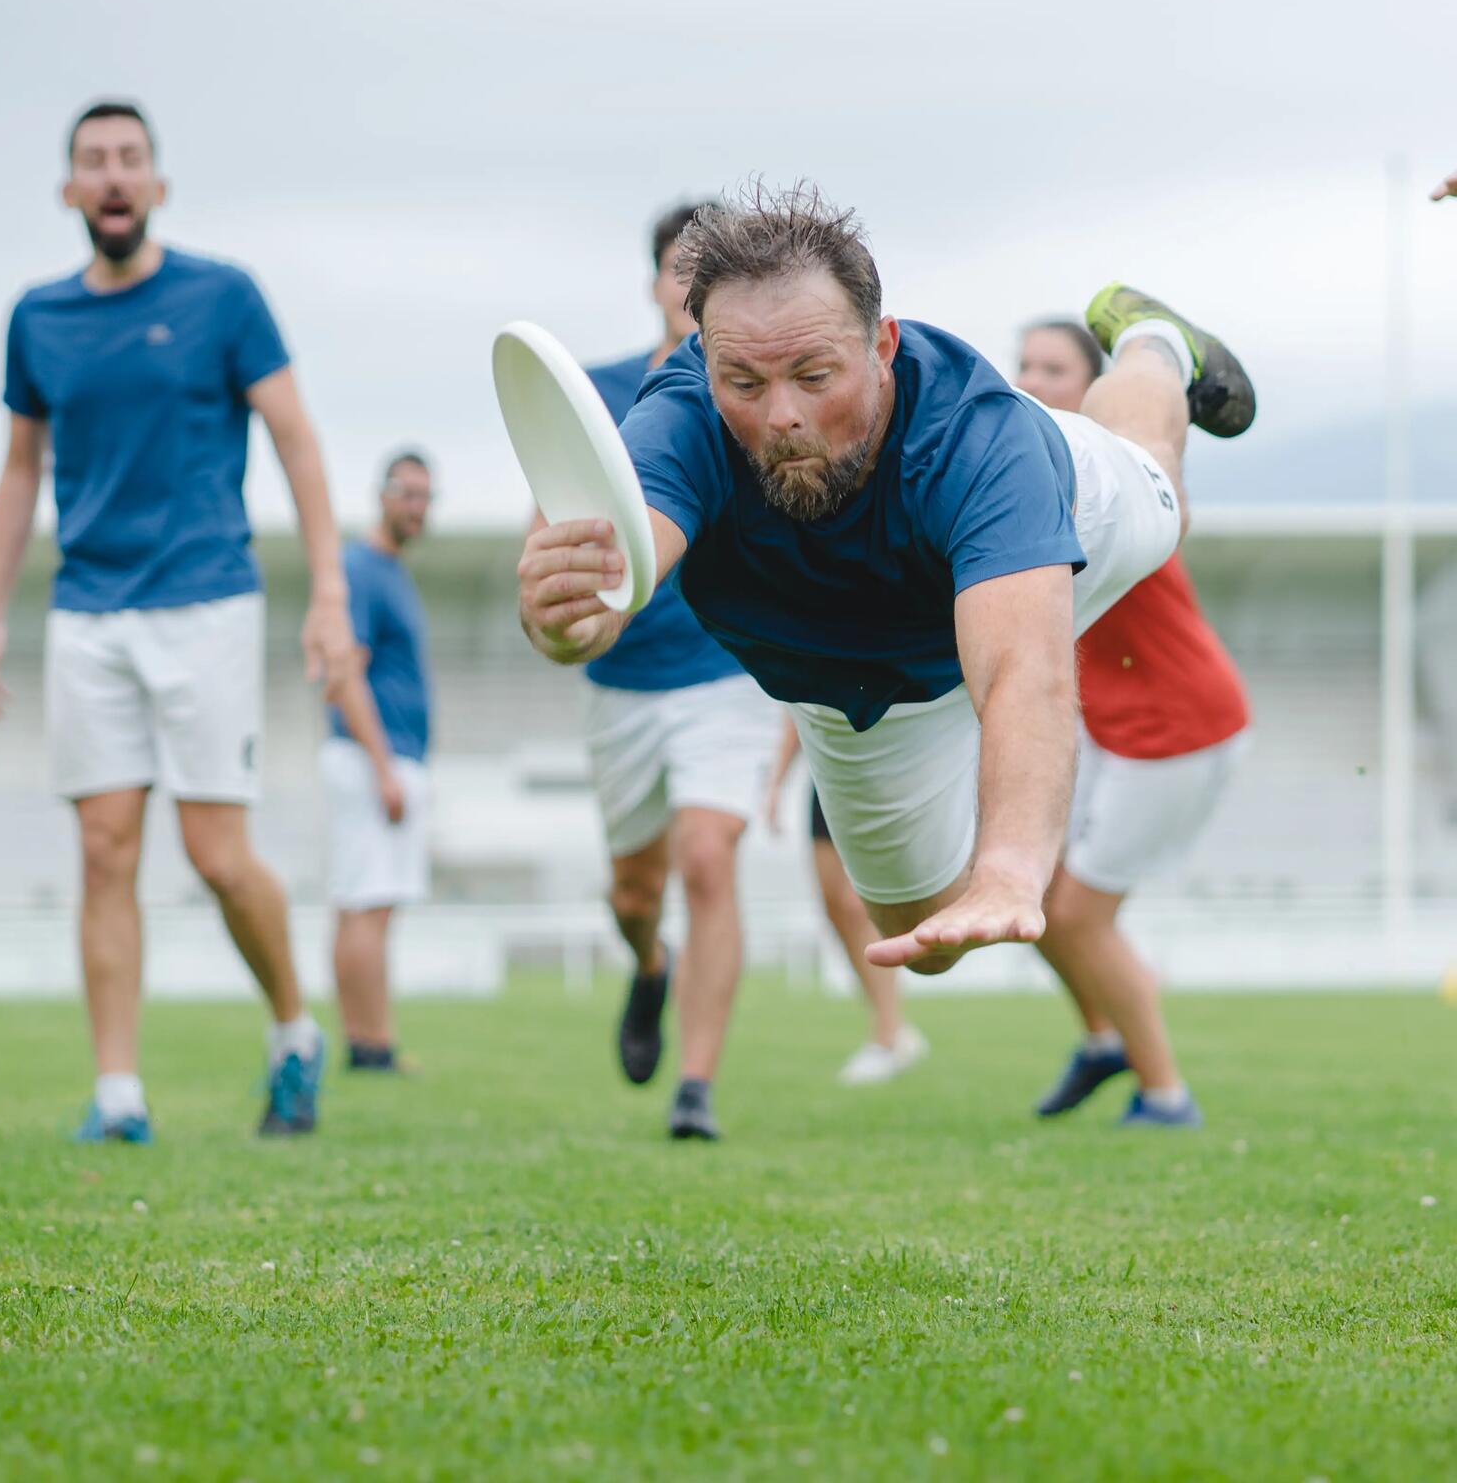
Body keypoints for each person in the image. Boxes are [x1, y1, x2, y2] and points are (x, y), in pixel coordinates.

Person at [515, 185, 1255, 994]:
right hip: (858, 690)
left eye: (813, 373)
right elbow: (624, 562)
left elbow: (1020, 673)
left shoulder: (980, 442)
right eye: (746, 383)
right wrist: (575, 616)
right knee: (924, 943)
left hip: (1063, 526)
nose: (782, 415)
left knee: (1166, 501)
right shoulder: (686, 411)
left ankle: (1154, 344)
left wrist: (1013, 867)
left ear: (882, 345)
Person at [0, 101, 355, 1142]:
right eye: (93, 162)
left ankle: (292, 1031)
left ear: (157, 184)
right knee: (103, 850)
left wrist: (327, 592)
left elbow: (298, 444)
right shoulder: (36, 318)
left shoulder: (223, 298)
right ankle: (118, 1095)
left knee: (217, 856)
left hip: (205, 601)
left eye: (130, 159)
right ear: (68, 190)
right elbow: (17, 473)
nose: (113, 177)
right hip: (90, 611)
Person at [575, 204, 782, 1142]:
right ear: (657, 283)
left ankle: (695, 1088)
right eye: (676, 267)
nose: (688, 284)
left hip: (724, 669)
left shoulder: (762, 393)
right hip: (623, 680)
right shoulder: (596, 392)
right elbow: (564, 522)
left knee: (708, 859)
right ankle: (648, 966)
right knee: (633, 892)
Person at [1015, 319, 1250, 1127]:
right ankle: (1102, 1040)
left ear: (1097, 390)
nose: (1035, 379)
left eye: (1055, 367)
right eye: (1025, 366)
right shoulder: (1024, 472)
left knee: (1079, 916)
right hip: (1111, 726)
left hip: (1182, 725)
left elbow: (1170, 508)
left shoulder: (1115, 475)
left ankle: (1165, 1097)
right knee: (1035, 894)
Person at [322, 451, 436, 1075]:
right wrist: (383, 767)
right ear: (382, 495)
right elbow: (346, 674)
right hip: (373, 760)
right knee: (366, 905)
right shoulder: (361, 568)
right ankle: (370, 1046)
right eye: (408, 494)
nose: (417, 508)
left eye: (426, 497)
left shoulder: (392, 571)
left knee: (368, 905)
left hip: (385, 759)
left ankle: (371, 1039)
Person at [765, 720, 927, 1085]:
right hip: (830, 762)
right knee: (833, 902)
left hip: (891, 752)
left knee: (856, 904)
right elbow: (799, 706)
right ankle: (894, 1031)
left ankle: (888, 1036)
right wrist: (777, 781)